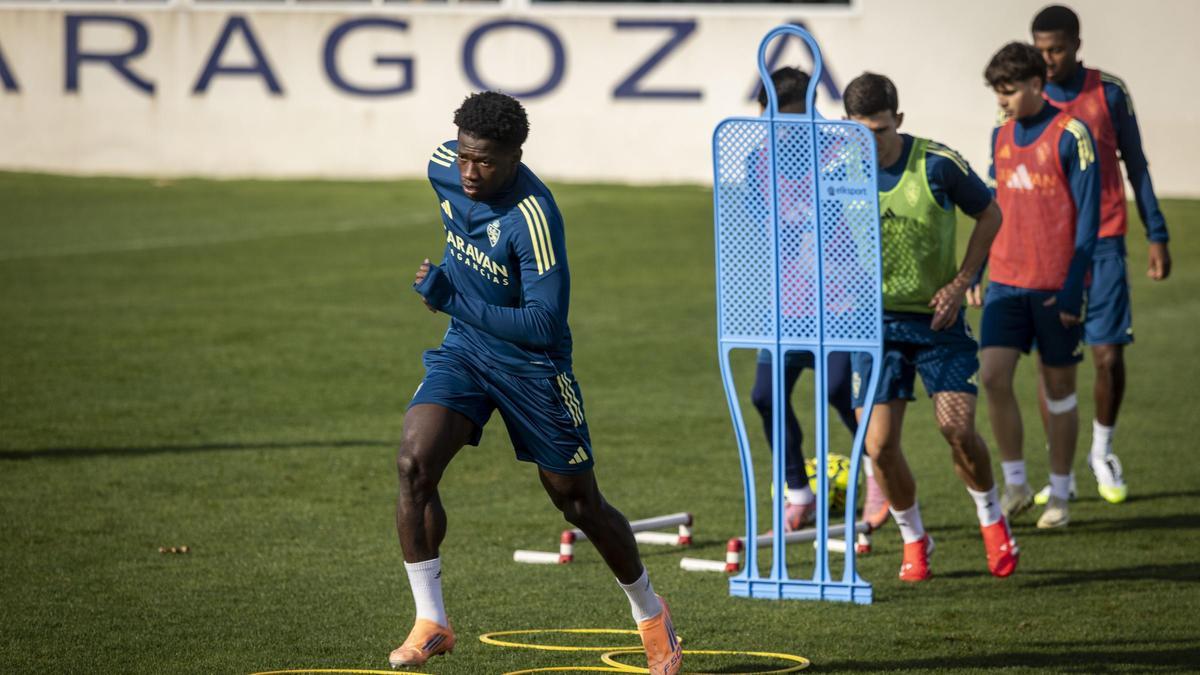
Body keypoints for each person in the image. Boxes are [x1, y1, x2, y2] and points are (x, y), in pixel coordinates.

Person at [393, 91, 682, 674]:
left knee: (580, 504)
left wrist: (452, 298)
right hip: (466, 354)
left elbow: (544, 323)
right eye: (465, 158)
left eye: (487, 163)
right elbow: (463, 240)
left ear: (517, 156)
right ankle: (432, 621)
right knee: (413, 464)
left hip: (534, 369)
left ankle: (651, 614)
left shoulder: (534, 215)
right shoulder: (441, 167)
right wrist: (452, 282)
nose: (470, 174)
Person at [842, 72, 1016, 582]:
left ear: (898, 119)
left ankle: (991, 518)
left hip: (938, 324)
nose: (868, 142)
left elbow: (990, 214)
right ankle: (915, 538)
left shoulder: (938, 164)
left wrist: (963, 281)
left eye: (877, 130)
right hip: (872, 329)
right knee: (878, 447)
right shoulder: (835, 171)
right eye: (857, 132)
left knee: (957, 429)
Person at [1024, 4, 1172, 507]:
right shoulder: (1028, 97)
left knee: (1107, 357)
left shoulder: (1108, 91)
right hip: (1051, 248)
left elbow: (1137, 162)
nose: (1047, 60)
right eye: (1040, 50)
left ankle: (1102, 451)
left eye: (1057, 49)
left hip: (1104, 242)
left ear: (1077, 44)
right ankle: (1059, 465)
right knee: (1054, 365)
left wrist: (1157, 231)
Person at [749, 66, 889, 536]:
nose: (791, 130)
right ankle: (799, 495)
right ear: (765, 115)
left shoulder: (843, 154)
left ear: (813, 111)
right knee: (765, 396)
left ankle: (878, 474)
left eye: (800, 117)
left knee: (838, 393)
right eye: (781, 120)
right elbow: (755, 227)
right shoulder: (756, 160)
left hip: (842, 304)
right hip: (784, 305)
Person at [980, 42, 1100, 529]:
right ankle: (1016, 484)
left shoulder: (1073, 134)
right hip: (1006, 283)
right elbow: (994, 204)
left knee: (1059, 393)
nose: (1001, 101)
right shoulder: (999, 135)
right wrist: (977, 270)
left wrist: (1075, 287)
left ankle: (1062, 493)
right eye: (996, 92)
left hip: (1054, 286)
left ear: (1035, 84)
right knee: (992, 377)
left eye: (1007, 92)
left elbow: (1089, 218)